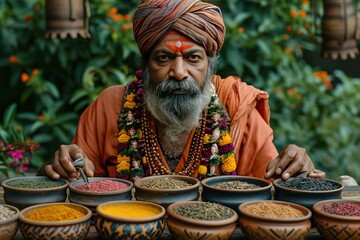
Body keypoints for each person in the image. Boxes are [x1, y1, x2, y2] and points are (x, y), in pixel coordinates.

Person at [38, 0, 325, 182]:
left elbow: (273, 186)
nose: (178, 72)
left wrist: (297, 173)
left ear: (210, 66)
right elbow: (75, 185)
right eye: (163, 58)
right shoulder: (110, 105)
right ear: (146, 66)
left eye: (193, 58)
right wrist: (62, 168)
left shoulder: (236, 107)